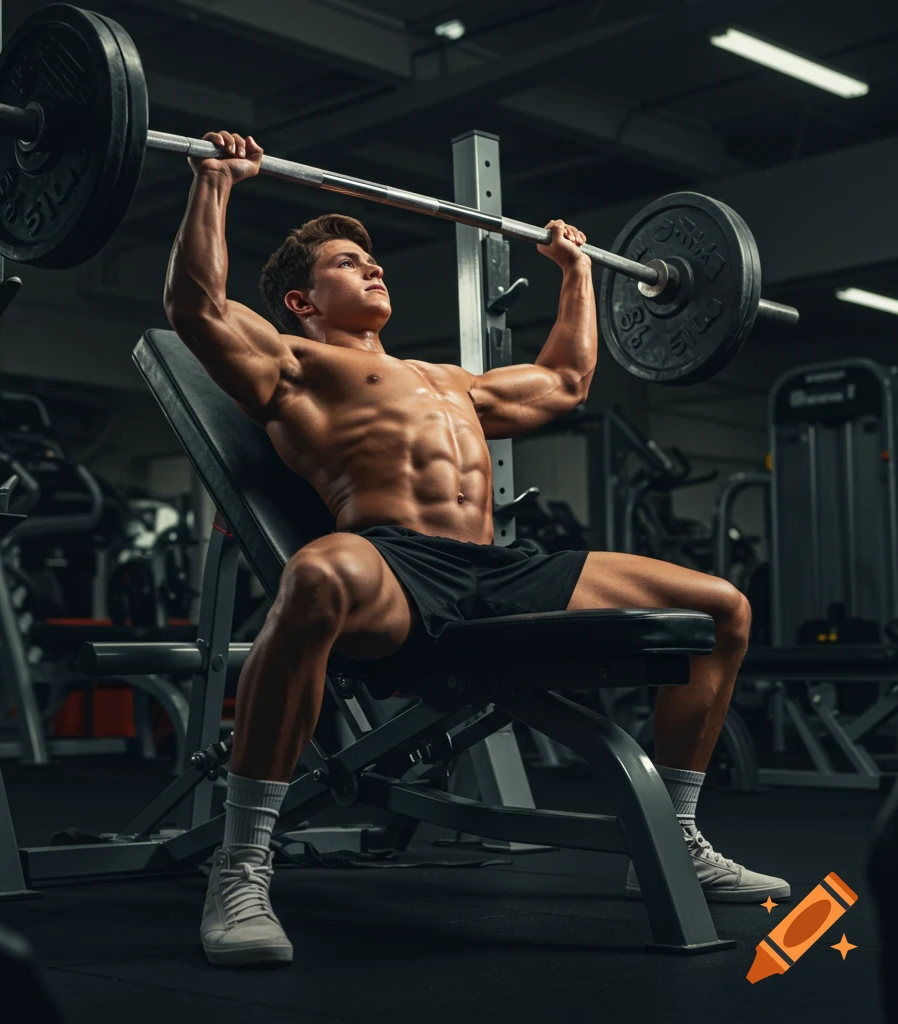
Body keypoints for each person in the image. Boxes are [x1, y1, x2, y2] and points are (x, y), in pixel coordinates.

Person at [164, 131, 790, 968]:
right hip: (393, 566)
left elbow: (566, 381)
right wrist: (215, 183)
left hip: (499, 568)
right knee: (315, 572)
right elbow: (197, 309)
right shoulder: (294, 367)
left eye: (372, 259)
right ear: (303, 303)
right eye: (349, 263)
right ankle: (241, 868)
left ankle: (672, 842)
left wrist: (576, 274)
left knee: (722, 610)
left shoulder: (449, 380)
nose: (374, 268)